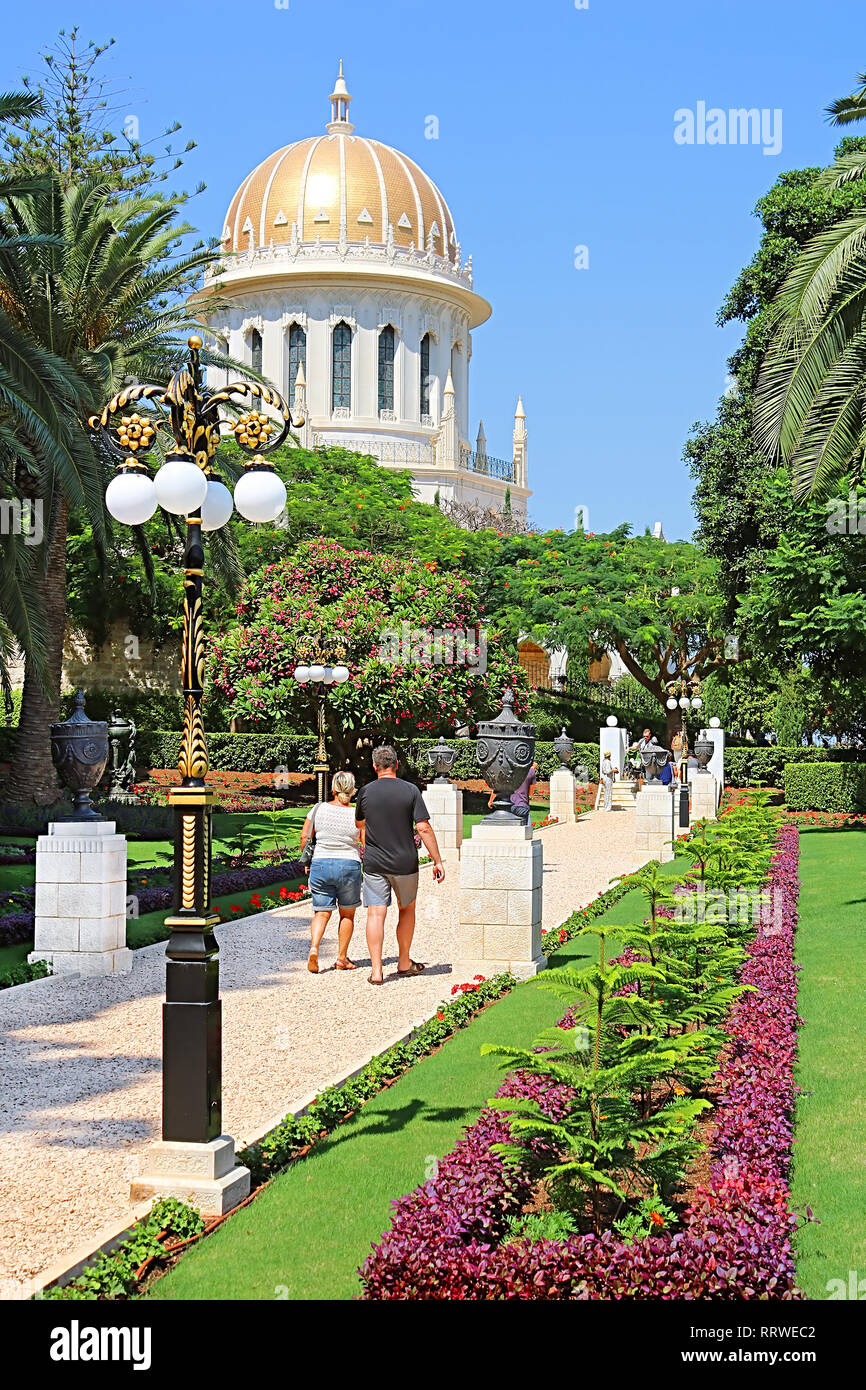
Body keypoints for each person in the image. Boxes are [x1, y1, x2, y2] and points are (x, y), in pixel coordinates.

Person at [355, 746, 445, 986]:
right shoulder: (410, 790)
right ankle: (404, 962)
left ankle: (376, 971)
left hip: (374, 863)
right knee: (407, 910)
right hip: (405, 862)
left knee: (376, 912)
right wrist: (437, 860)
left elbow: (359, 823)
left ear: (375, 766)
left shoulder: (365, 792)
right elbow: (423, 827)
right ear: (397, 763)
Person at [299, 771, 362, 975]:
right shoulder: (357, 814)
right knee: (347, 914)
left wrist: (307, 860)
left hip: (321, 862)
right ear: (352, 790)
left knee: (321, 912)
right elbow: (365, 841)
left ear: (333, 789)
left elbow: (305, 837)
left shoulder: (318, 809)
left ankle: (314, 948)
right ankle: (342, 958)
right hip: (349, 864)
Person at [488, 760, 537, 826]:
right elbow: (531, 793)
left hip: (508, 805)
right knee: (524, 831)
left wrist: (491, 801)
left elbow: (498, 787)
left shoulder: (508, 770)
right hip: (522, 805)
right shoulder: (531, 771)